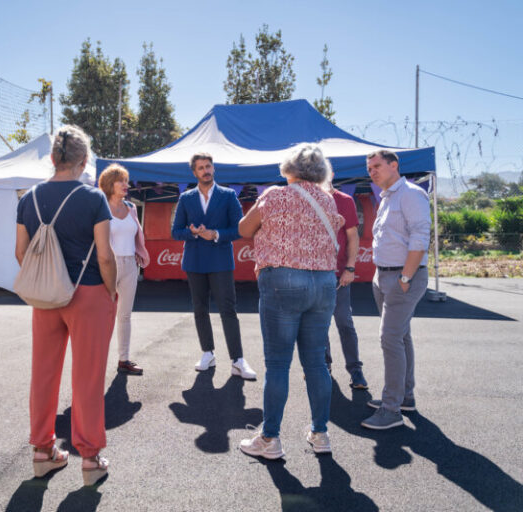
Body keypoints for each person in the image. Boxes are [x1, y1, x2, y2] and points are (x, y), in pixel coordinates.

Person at [16, 125, 117, 486]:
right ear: (84, 160)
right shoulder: (93, 198)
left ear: (53, 158)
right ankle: (89, 458)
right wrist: (111, 291)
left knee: (43, 371)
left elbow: (20, 253)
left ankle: (43, 452)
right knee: (88, 376)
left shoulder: (28, 198)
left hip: (46, 297)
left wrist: (47, 281)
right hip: (87, 292)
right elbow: (104, 256)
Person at [237, 144, 343, 458]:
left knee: (278, 364)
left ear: (289, 167)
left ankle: (270, 439)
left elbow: (244, 228)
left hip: (283, 280)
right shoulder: (327, 199)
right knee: (316, 363)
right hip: (324, 282)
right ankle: (320, 433)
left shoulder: (275, 195)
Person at [171, 152, 256, 380]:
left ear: (213, 168)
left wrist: (216, 234)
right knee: (200, 309)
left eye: (208, 166)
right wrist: (192, 233)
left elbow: (239, 229)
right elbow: (175, 232)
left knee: (228, 310)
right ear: (194, 172)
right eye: (200, 168)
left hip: (220, 261)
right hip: (194, 261)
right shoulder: (186, 198)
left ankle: (237, 360)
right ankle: (207, 353)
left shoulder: (228, 195)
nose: (205, 171)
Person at [361, 149, 430, 430]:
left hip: (403, 277)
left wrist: (405, 276)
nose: (372, 172)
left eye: (377, 166)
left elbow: (420, 236)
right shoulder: (388, 197)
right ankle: (405, 397)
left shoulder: (411, 194)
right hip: (385, 276)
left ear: (394, 165)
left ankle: (391, 410)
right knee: (400, 337)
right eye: (369, 169)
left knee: (390, 339)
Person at [97, 163, 150, 376]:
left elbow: (136, 234)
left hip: (130, 265)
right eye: (121, 181)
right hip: (107, 264)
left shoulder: (131, 207)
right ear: (110, 184)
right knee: (103, 315)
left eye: (127, 181)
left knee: (125, 315)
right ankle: (97, 360)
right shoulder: (100, 207)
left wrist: (139, 252)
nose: (126, 184)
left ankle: (124, 360)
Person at [324, 180, 368, 389]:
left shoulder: (344, 200)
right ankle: (323, 366)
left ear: (331, 174)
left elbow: (352, 236)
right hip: (313, 274)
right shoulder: (307, 198)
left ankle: (355, 370)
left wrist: (350, 268)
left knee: (344, 321)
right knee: (318, 325)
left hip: (338, 274)